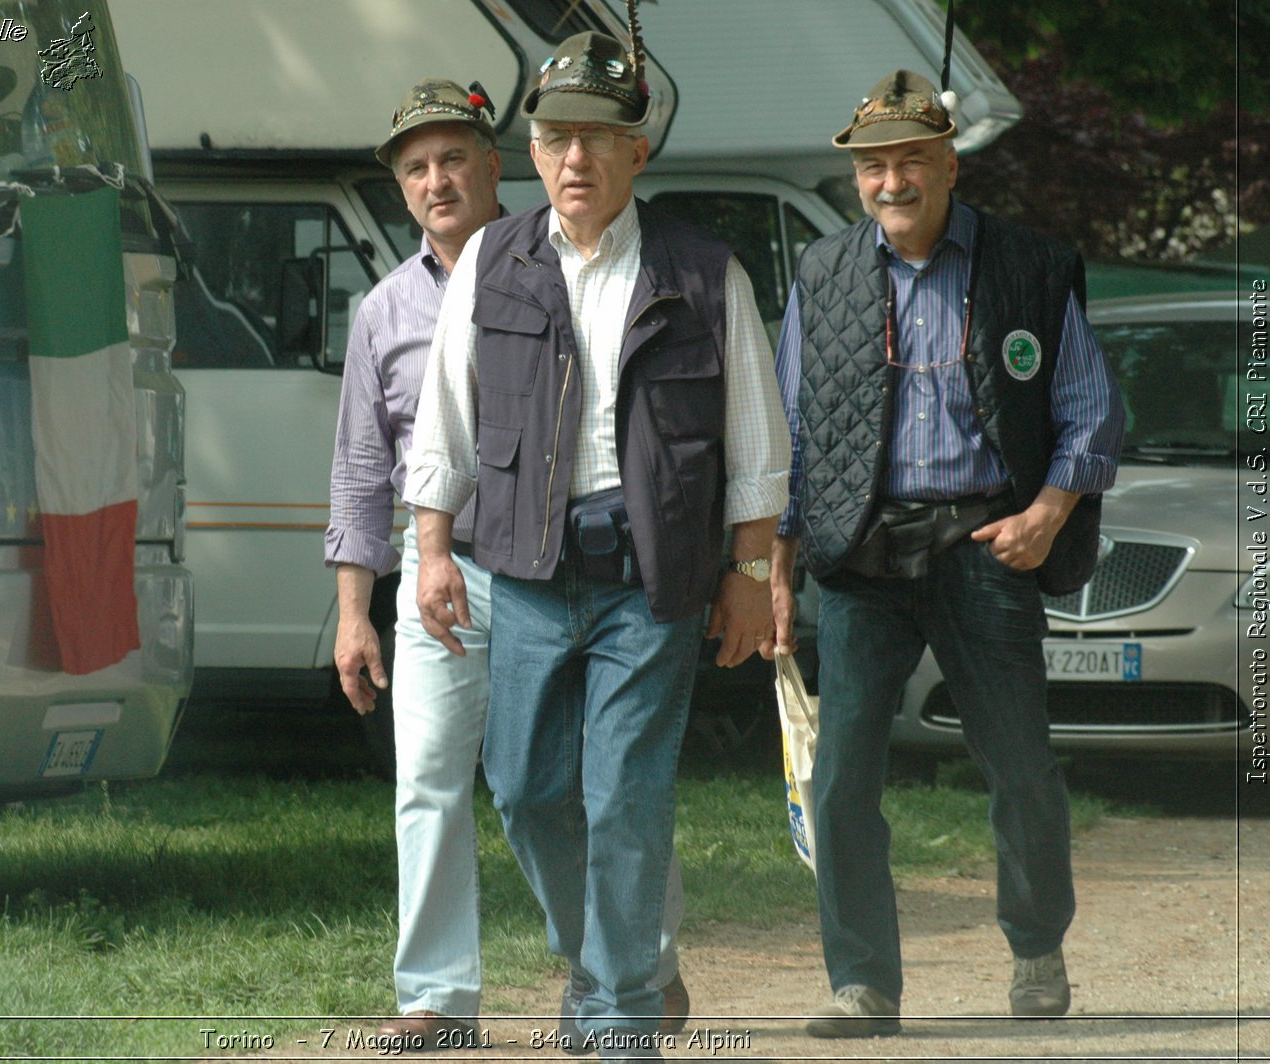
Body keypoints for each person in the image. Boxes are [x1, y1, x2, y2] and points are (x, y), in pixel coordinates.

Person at [404, 28, 789, 1062]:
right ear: (531, 149)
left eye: (598, 139)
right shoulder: (493, 257)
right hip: (524, 573)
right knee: (526, 790)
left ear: (638, 153)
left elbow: (756, 444)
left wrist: (752, 573)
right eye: (556, 137)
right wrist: (432, 545)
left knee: (623, 790)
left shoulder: (706, 272)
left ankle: (619, 1020)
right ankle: (608, 968)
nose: (574, 159)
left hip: (649, 577)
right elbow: (444, 416)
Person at [325, 77, 687, 1052]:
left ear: (499, 163)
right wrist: (357, 608)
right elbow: (364, 466)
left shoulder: (564, 257)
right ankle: (440, 994)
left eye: (453, 159)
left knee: (603, 773)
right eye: (415, 168)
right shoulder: (384, 310)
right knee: (433, 777)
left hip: (569, 564)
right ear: (399, 188)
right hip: (440, 574)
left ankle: (639, 961)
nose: (436, 181)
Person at [768, 69, 1124, 1037]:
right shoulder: (824, 273)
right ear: (855, 180)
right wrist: (776, 563)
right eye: (874, 165)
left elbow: (1091, 415)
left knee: (1019, 764)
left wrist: (1045, 513)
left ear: (948, 165)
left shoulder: (1030, 266)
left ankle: (1037, 943)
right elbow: (790, 430)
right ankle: (863, 982)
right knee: (840, 775)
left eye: (911, 160)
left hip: (983, 544)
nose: (892, 180)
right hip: (860, 550)